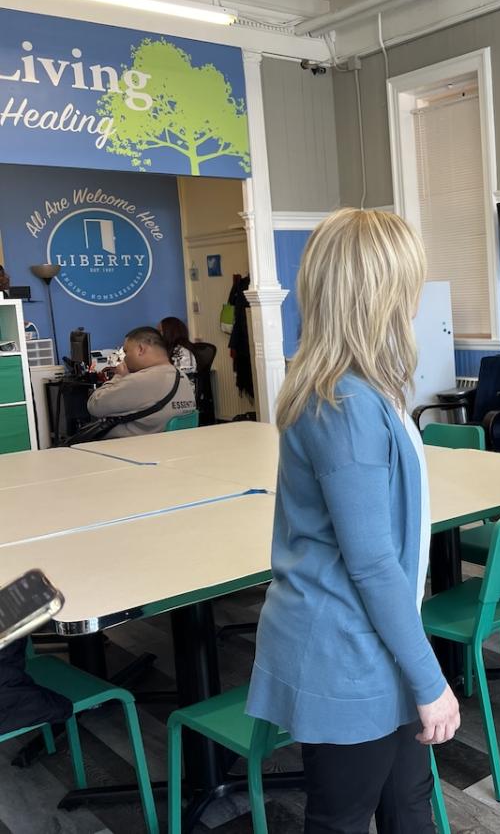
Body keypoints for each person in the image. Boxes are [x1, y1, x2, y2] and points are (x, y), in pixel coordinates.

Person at [246, 208, 459, 834]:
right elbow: (370, 563)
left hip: (377, 641)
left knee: (408, 805)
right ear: (379, 294)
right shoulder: (342, 403)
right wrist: (431, 679)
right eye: (409, 284)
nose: (416, 299)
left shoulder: (360, 388)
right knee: (343, 819)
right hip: (346, 651)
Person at [86, 327, 196, 438]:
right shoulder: (182, 376)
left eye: (126, 352)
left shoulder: (140, 380)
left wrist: (118, 377)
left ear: (140, 349)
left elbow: (94, 406)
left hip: (126, 449)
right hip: (169, 446)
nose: (124, 359)